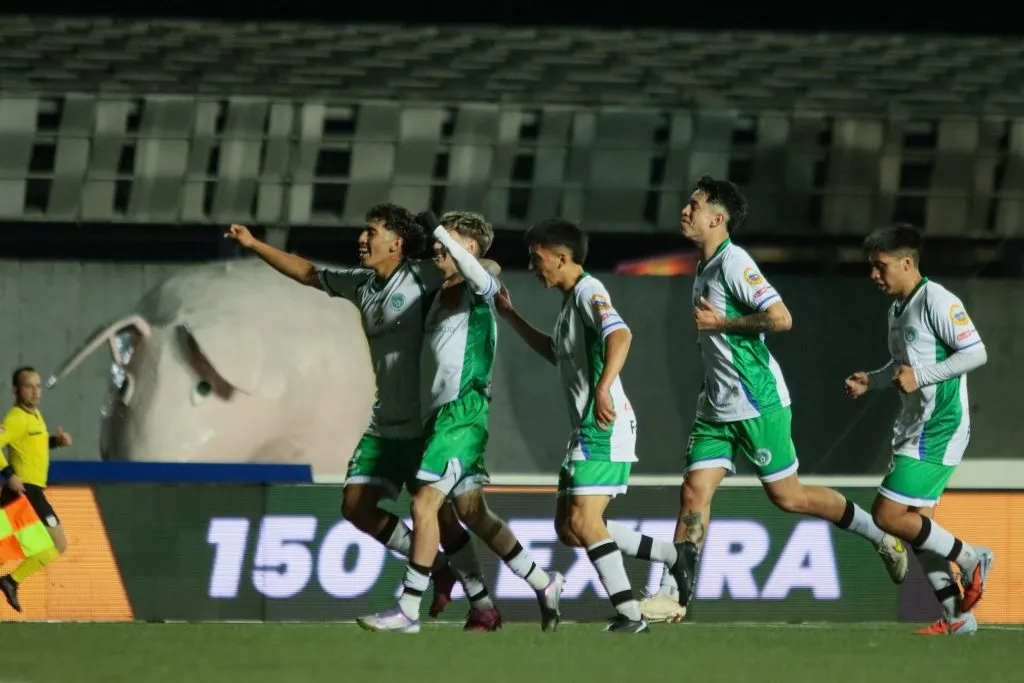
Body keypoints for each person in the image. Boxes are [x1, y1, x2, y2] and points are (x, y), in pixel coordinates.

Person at [638, 176, 909, 624]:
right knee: (694, 492)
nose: (684, 211)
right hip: (715, 405)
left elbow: (781, 318)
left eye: (694, 205)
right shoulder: (703, 266)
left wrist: (723, 323)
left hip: (756, 401)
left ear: (717, 219)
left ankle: (879, 535)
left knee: (789, 496)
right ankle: (674, 595)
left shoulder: (733, 262)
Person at [225, 204, 501, 631]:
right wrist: (254, 243)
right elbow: (306, 273)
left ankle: (481, 604)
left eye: (371, 231)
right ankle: (438, 568)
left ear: (397, 242)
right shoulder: (362, 285)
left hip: (426, 423)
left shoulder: (423, 274)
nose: (362, 239)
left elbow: (483, 263)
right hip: (385, 421)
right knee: (355, 505)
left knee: (443, 517)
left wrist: (483, 270)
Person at [358, 210, 564, 634]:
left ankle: (408, 609)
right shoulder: (441, 292)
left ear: (466, 248)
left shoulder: (479, 288)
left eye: (445, 243)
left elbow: (486, 274)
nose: (437, 250)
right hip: (439, 418)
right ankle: (544, 583)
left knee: (423, 504)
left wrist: (440, 232)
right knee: (474, 513)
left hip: (462, 414)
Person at [496, 218, 683, 634]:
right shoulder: (570, 303)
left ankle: (631, 615)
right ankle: (673, 555)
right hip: (586, 426)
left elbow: (622, 335)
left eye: (537, 257)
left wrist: (603, 389)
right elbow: (555, 352)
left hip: (604, 422)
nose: (532, 266)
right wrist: (511, 317)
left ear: (563, 257)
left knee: (584, 523)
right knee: (569, 528)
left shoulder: (590, 290)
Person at [844, 223, 992, 636]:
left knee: (887, 514)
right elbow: (902, 368)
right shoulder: (896, 308)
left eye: (881, 266)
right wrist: (871, 380)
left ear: (906, 262)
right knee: (919, 527)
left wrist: (923, 376)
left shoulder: (937, 299)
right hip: (915, 425)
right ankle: (957, 617)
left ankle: (970, 559)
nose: (874, 275)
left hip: (940, 426)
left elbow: (976, 352)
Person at [0, 367, 73, 611]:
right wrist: (8, 475)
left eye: (38, 386)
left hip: (29, 493)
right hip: (24, 493)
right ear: (16, 390)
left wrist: (56, 442)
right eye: (29, 386)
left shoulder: (36, 416)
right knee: (57, 544)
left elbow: (34, 446)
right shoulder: (16, 418)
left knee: (6, 550)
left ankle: (10, 580)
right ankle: (11, 581)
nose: (35, 391)